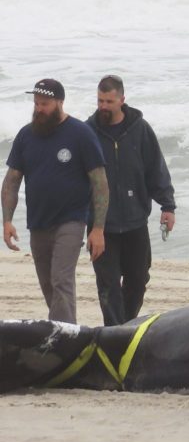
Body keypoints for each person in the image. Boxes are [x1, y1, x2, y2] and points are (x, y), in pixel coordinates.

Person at [3, 79, 109, 323]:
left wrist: (99, 228)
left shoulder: (81, 133)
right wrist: (7, 220)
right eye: (37, 104)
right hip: (38, 222)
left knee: (61, 278)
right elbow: (11, 180)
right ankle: (64, 328)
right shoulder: (26, 135)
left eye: (45, 104)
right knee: (48, 284)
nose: (39, 109)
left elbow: (100, 183)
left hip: (71, 220)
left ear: (60, 102)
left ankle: (63, 340)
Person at [86, 75, 177, 325]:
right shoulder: (88, 132)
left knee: (138, 280)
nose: (103, 106)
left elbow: (156, 169)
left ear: (122, 100)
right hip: (101, 226)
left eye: (109, 101)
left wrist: (167, 206)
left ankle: (124, 327)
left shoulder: (140, 129)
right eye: (99, 100)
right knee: (108, 285)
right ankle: (115, 332)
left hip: (136, 222)